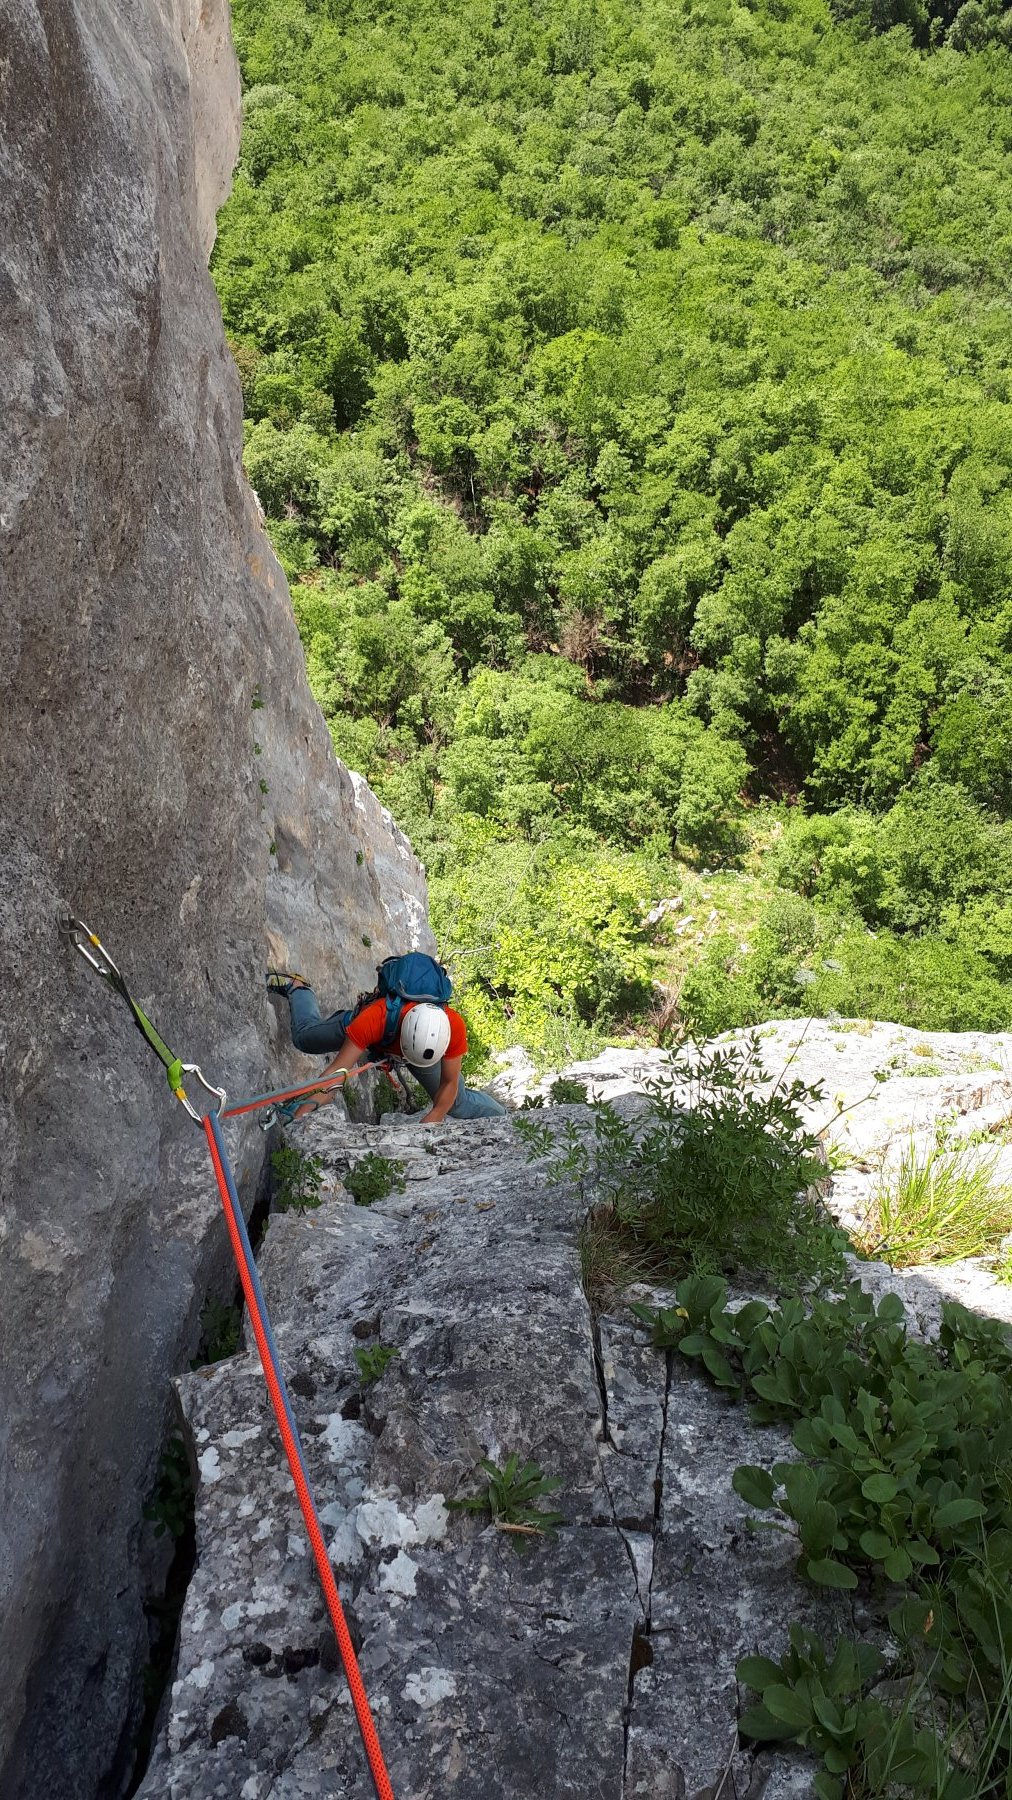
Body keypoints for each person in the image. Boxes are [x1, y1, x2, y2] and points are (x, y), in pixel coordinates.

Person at [266, 970, 507, 1125]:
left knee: (458, 1103)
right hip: (373, 1032)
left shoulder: (452, 1025)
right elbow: (337, 1074)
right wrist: (304, 1109)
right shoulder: (375, 1018)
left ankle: (506, 1119)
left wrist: (434, 1117)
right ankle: (299, 988)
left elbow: (451, 1082)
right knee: (304, 1038)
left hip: (419, 1051)